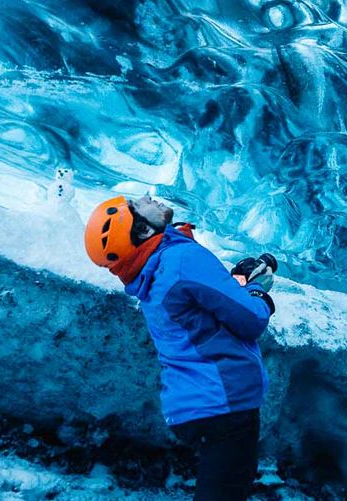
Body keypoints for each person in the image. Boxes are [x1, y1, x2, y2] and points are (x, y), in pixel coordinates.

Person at [83, 194, 276, 501]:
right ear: (143, 230)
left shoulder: (156, 272)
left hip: (193, 405)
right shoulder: (182, 259)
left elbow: (200, 307)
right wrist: (258, 292)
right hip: (224, 402)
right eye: (137, 204)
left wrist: (234, 283)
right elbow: (252, 319)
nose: (148, 197)